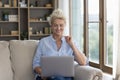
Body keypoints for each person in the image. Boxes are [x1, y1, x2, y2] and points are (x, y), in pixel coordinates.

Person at [32, 9, 87, 80]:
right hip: (47, 78)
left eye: (61, 25)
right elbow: (35, 64)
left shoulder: (71, 42)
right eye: (55, 25)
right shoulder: (43, 42)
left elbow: (83, 62)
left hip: (65, 77)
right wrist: (42, 73)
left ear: (65, 26)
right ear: (51, 26)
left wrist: (72, 45)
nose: (58, 28)